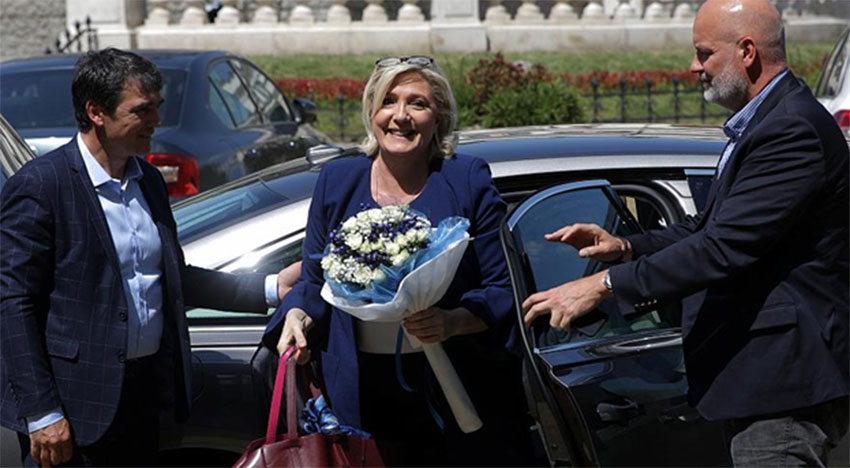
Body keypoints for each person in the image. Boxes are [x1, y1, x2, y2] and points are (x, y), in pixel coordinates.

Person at [522, 0, 849, 465]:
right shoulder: (768, 120)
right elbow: (709, 227)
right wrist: (626, 247)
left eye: (704, 53)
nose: (694, 67)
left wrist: (602, 285)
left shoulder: (790, 128)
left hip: (783, 390)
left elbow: (721, 249)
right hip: (760, 384)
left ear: (747, 51)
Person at [0, 48, 293, 467]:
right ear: (96, 113)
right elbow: (13, 305)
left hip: (141, 403)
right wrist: (42, 411)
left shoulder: (148, 180)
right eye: (142, 110)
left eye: (158, 106)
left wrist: (269, 287)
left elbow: (172, 278)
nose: (156, 120)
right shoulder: (43, 186)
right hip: (70, 411)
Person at [263, 56, 534, 467]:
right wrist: (297, 317)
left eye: (417, 103)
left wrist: (451, 322)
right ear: (372, 111)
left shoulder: (465, 179)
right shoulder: (338, 180)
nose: (400, 116)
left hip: (454, 387)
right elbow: (315, 281)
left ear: (439, 116)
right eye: (388, 101)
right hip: (360, 392)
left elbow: (503, 290)